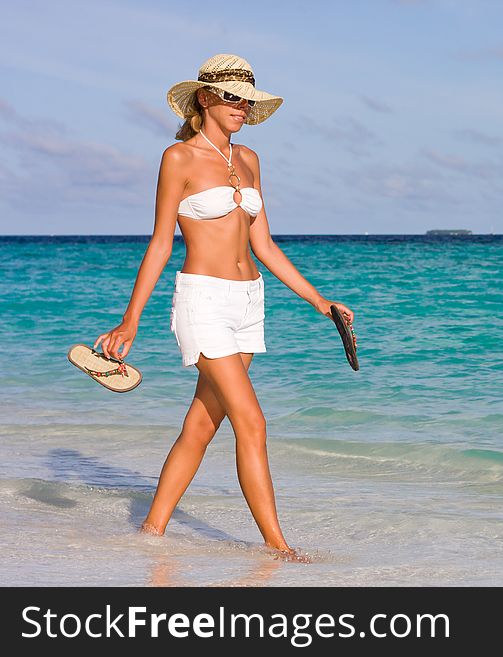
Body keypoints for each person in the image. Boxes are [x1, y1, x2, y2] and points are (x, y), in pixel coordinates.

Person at [93, 54, 355, 563]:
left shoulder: (251, 159)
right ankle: (279, 548)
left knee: (203, 424)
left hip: (248, 302)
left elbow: (267, 246)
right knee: (252, 422)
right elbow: (160, 245)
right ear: (204, 99)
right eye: (232, 97)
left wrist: (320, 302)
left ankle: (151, 530)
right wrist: (132, 317)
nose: (242, 107)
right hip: (203, 301)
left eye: (248, 100)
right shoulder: (179, 159)